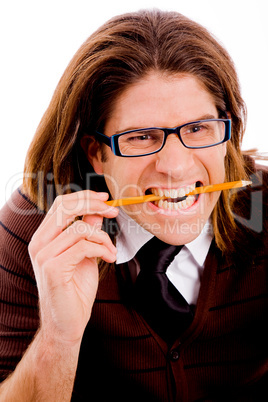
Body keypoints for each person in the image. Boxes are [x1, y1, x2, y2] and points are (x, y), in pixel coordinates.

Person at [0, 9, 267, 401]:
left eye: (197, 129)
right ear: (96, 153)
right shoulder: (37, 231)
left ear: (225, 132)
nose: (175, 168)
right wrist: (58, 337)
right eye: (141, 137)